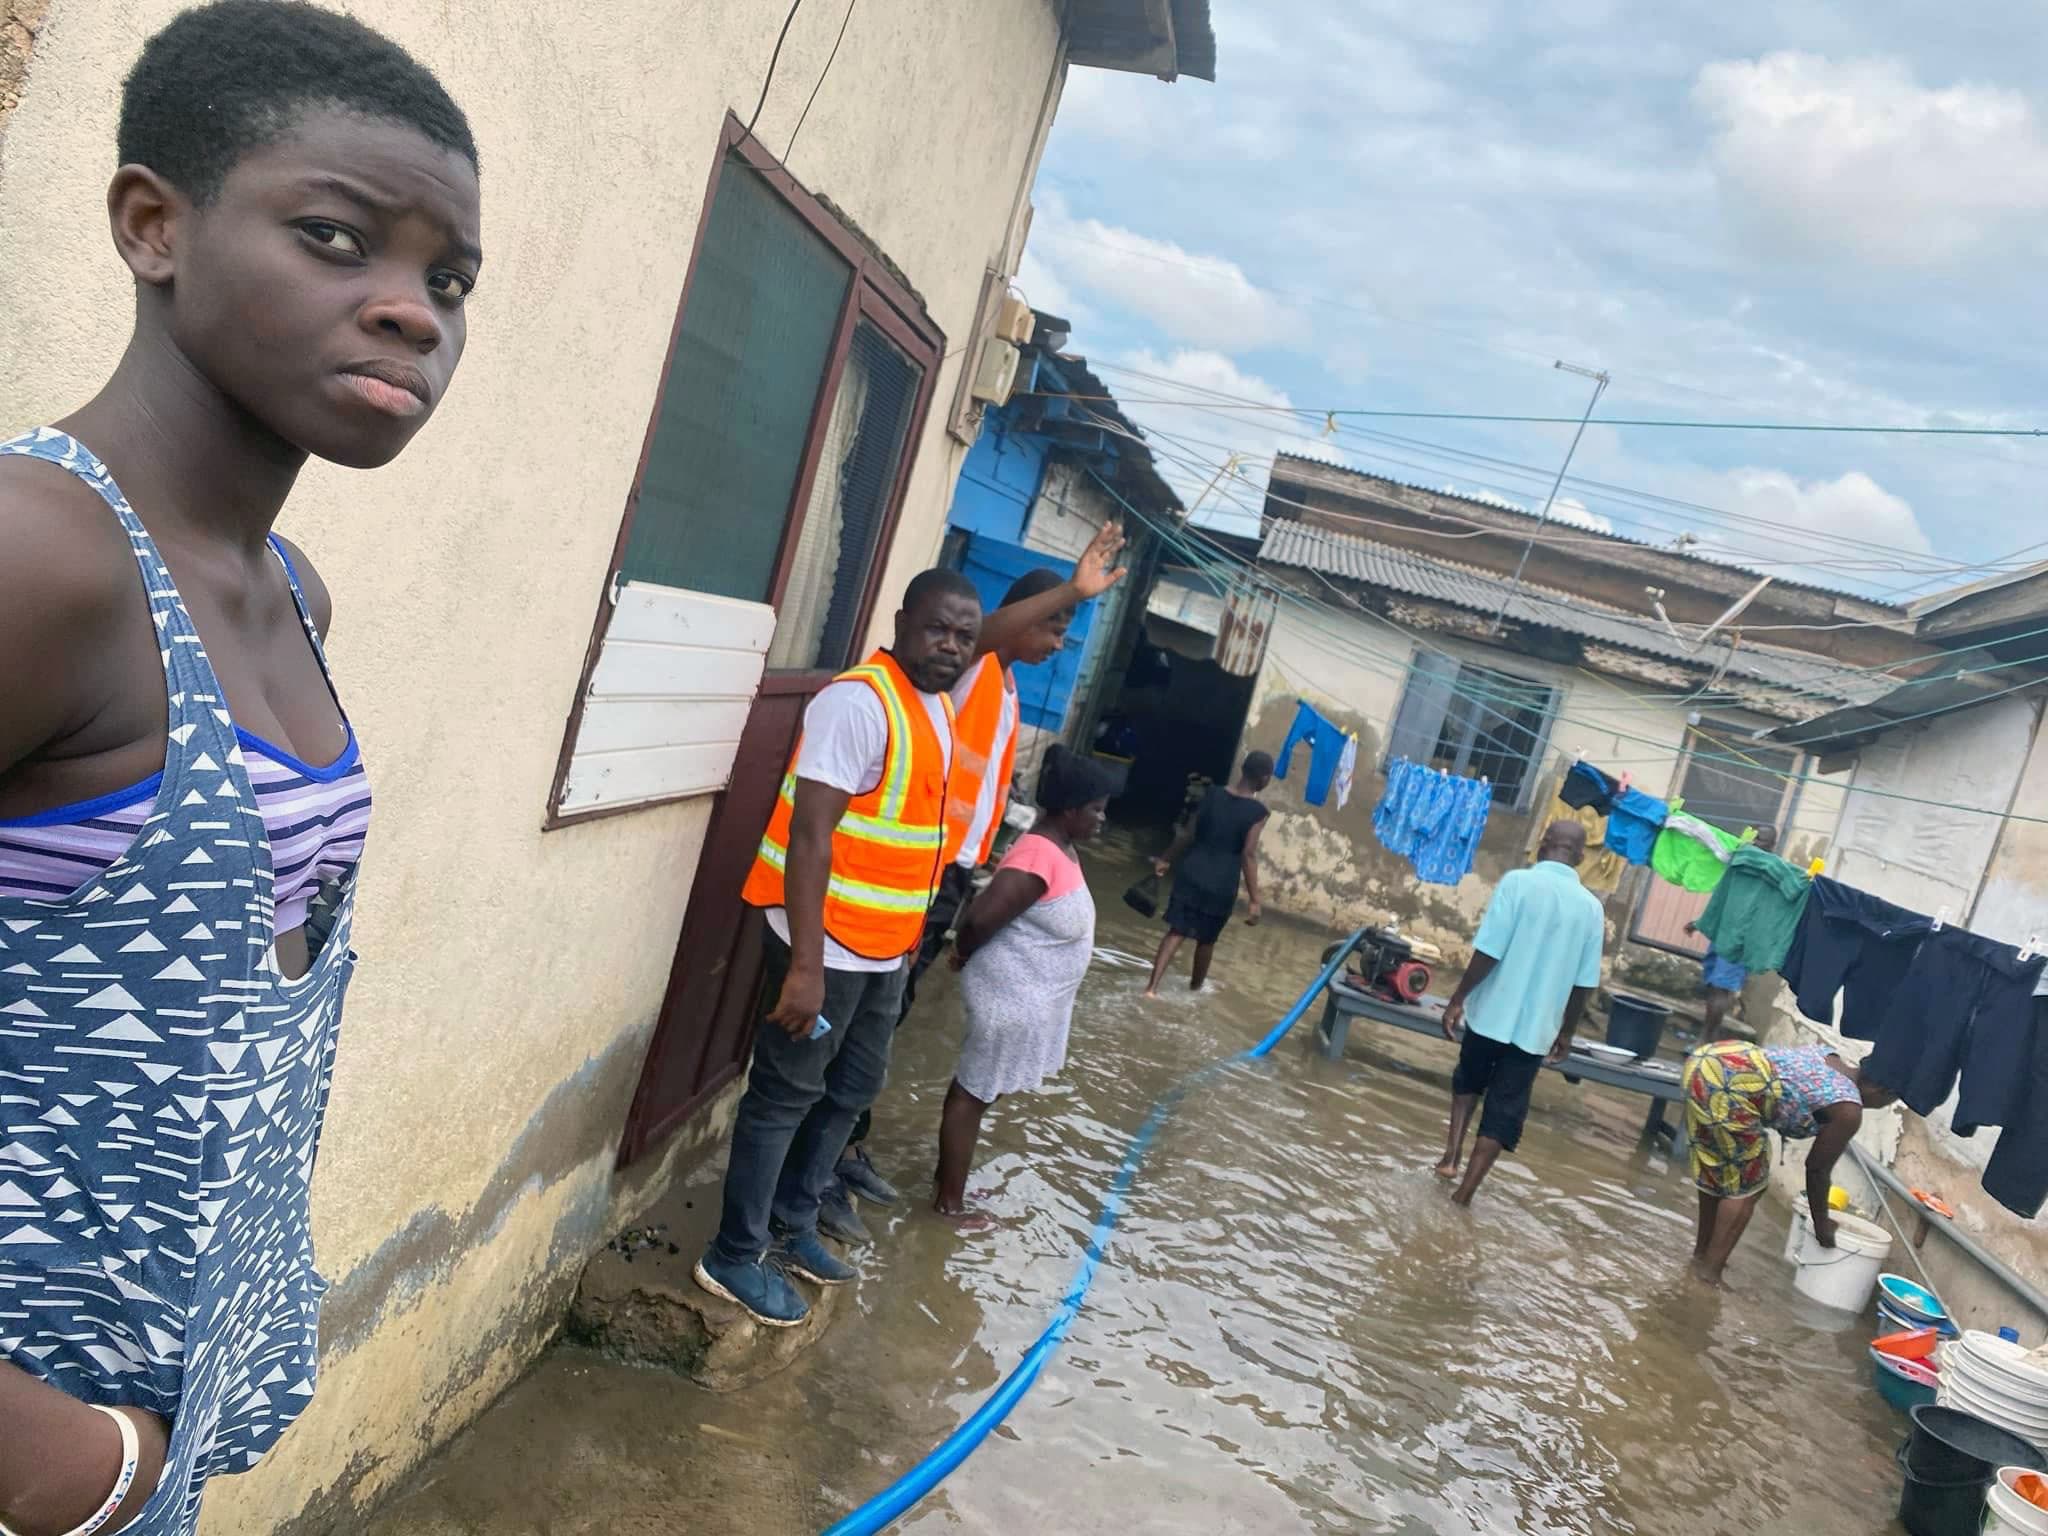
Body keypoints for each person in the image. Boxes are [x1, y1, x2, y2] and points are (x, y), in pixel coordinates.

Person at [0, 6, 479, 1533]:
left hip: (155, 1426)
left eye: (447, 279)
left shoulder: (290, 594)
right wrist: (60, 1467)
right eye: (339, 239)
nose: (412, 311)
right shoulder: (42, 557)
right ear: (155, 225)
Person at [696, 570, 981, 1327]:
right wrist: (806, 967)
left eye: (964, 634)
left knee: (852, 1088)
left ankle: (792, 1225)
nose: (950, 644)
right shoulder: (859, 702)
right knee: (784, 1096)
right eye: (937, 628)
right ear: (902, 621)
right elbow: (812, 835)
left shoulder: (936, 707)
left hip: (884, 949)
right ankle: (733, 1253)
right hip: (825, 947)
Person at [826, 523, 1128, 1227]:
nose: (1058, 642)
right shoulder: (971, 665)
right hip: (917, 871)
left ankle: (845, 1146)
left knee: (885, 1021)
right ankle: (824, 1167)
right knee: (867, 1021)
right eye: (1054, 625)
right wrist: (1070, 587)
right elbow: (989, 632)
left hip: (950, 870)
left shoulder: (1009, 688)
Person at [934, 747, 1120, 1218]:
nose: (1103, 819)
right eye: (1096, 810)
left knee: (982, 1089)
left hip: (1024, 996)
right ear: (1070, 810)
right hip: (1007, 998)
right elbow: (978, 919)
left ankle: (947, 1179)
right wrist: (961, 953)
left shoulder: (1059, 847)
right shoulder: (1038, 854)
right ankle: (948, 1205)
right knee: (971, 1094)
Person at [1434, 820, 1605, 1207]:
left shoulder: (1517, 883)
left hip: (1491, 1012)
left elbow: (1490, 950)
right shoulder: (1592, 909)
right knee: (1505, 1109)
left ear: (1542, 846)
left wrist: (1458, 997)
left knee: (1468, 1079)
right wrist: (1567, 1032)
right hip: (1536, 1029)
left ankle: (1450, 1156)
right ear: (1580, 857)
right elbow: (1584, 982)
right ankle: (1464, 1196)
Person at [1682, 1039, 1895, 1287]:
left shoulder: (1827, 1055)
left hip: (1708, 1061)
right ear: (1882, 1091)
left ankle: (1702, 1256)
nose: (1882, 1107)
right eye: (1890, 1102)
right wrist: (1822, 1224)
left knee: (1719, 1168)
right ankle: (1708, 1276)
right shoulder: (1849, 1109)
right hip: (1730, 1085)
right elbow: (1817, 1169)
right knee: (1749, 1185)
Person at [1142, 752, 1273, 998]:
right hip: (1222, 883)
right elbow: (1248, 854)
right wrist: (1255, 900)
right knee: (1207, 940)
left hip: (1191, 872)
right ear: (1264, 779)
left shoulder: (1212, 794)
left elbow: (1188, 834)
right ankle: (1195, 990)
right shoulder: (1258, 812)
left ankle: (1151, 989)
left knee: (1176, 930)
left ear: (1243, 769)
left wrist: (1165, 859)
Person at [1686, 826, 1779, 1037]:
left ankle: (1706, 1040)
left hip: (1741, 939)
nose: (1755, 843)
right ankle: (1707, 1034)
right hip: (1722, 933)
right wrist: (1700, 922)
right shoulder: (1740, 863)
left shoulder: (1772, 871)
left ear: (1772, 845)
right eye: (1753, 838)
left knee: (1721, 987)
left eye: (1761, 840)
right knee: (1713, 985)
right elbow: (1724, 898)